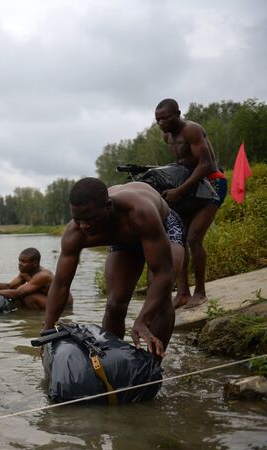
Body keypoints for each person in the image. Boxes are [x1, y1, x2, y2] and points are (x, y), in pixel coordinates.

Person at [44, 178, 185, 358]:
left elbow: (163, 273)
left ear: (108, 206)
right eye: (77, 219)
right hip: (124, 239)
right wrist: (48, 327)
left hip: (163, 226)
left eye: (90, 219)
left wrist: (143, 320)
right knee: (115, 304)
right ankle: (111, 359)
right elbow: (61, 284)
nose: (84, 226)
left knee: (160, 299)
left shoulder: (140, 212)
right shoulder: (75, 233)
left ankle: (153, 365)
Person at [155, 98, 228, 309]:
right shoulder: (167, 136)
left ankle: (200, 292)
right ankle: (183, 293)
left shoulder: (192, 130)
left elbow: (207, 164)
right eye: (157, 120)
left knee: (194, 238)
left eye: (165, 118)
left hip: (212, 184)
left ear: (178, 114)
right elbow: (183, 164)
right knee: (181, 238)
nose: (161, 123)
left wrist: (179, 191)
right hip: (191, 187)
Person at [0, 247, 70, 310]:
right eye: (19, 261)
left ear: (34, 263)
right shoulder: (25, 273)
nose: (20, 264)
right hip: (47, 299)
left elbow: (17, 293)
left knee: (27, 297)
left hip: (63, 304)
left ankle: (33, 320)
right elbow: (10, 286)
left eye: (23, 262)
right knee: (18, 299)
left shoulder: (43, 275)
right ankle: (24, 315)